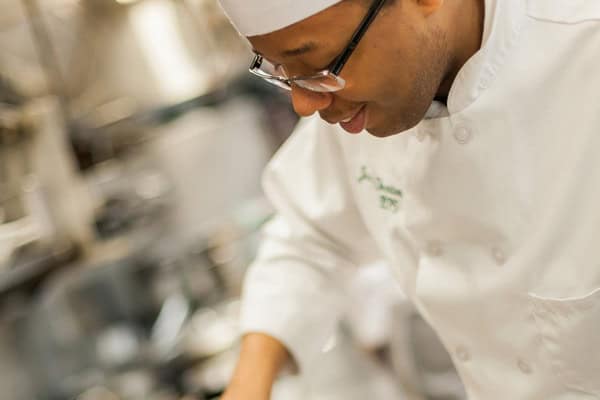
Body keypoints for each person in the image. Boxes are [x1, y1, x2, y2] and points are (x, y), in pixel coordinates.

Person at [218, 0, 600, 399]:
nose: (304, 104)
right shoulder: (353, 96)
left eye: (317, 63)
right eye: (280, 70)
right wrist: (248, 384)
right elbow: (310, 235)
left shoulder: (584, 50)